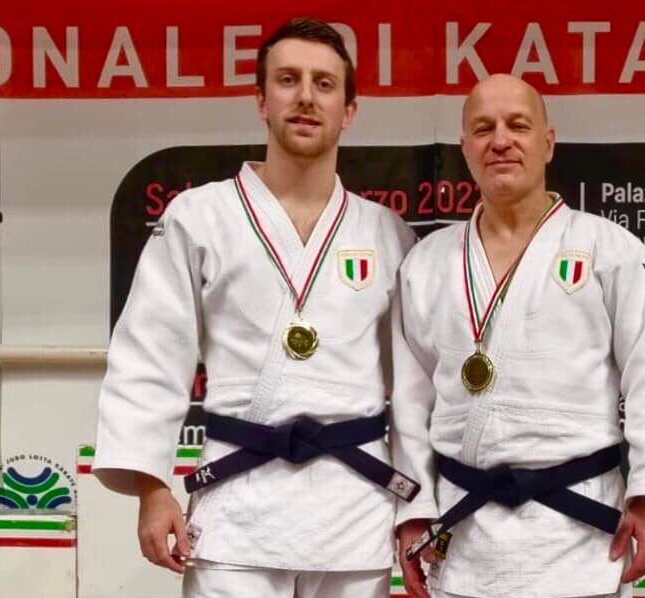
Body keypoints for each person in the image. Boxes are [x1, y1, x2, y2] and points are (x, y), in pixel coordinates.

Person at [93, 18, 418, 598]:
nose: (305, 97)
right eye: (288, 80)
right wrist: (151, 486)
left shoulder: (388, 234)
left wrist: (417, 506)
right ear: (261, 100)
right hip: (237, 510)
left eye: (324, 84)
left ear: (348, 110)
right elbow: (149, 354)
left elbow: (418, 391)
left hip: (353, 512)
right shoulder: (198, 218)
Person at [391, 74, 645, 598]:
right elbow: (408, 402)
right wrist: (414, 509)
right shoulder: (426, 264)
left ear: (548, 143)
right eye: (483, 128)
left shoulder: (610, 250)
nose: (500, 140)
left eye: (518, 125)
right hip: (465, 539)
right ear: (464, 148)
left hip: (580, 536)